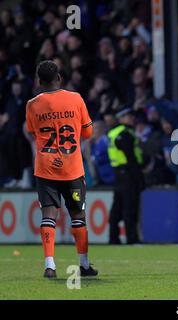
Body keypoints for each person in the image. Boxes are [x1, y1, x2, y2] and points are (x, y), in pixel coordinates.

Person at [25, 60, 97, 278]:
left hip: (45, 167)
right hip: (72, 166)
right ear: (59, 78)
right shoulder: (75, 99)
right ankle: (83, 265)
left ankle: (50, 265)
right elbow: (88, 133)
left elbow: (33, 132)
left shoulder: (32, 104)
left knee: (48, 214)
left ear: (39, 81)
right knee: (78, 214)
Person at [107, 107, 144, 244]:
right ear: (120, 118)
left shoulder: (113, 133)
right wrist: (139, 177)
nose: (131, 118)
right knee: (130, 207)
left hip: (118, 173)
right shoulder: (125, 133)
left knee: (117, 208)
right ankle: (132, 238)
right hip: (128, 173)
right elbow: (131, 157)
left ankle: (113, 237)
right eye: (127, 116)